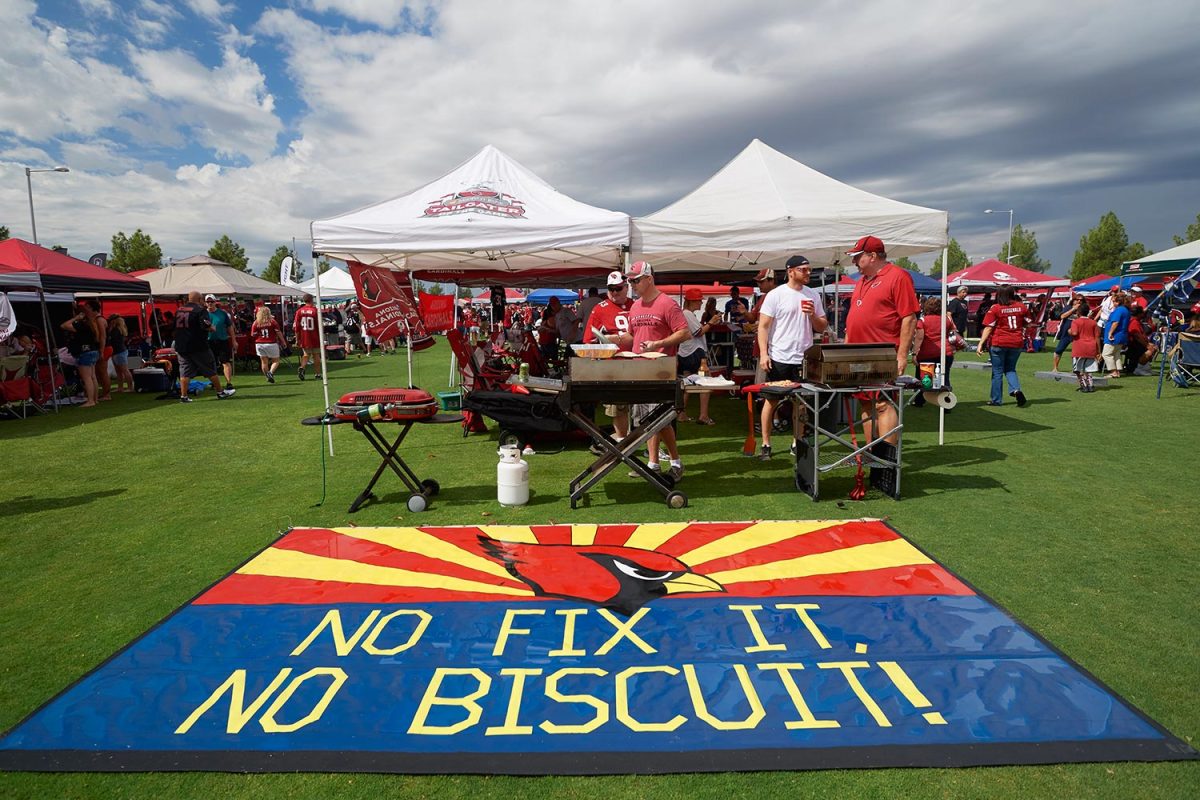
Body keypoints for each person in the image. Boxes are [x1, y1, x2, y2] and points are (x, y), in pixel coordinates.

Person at [844, 236, 919, 443]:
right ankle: (870, 453)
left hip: (881, 354)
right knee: (866, 404)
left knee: (882, 404)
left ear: (873, 256)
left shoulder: (898, 277)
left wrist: (902, 355)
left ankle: (886, 460)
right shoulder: (861, 281)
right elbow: (854, 319)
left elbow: (909, 318)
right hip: (857, 355)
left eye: (858, 257)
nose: (854, 262)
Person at [619, 261, 690, 481]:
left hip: (662, 370)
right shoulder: (635, 306)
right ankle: (653, 463)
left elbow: (684, 332)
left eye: (635, 280)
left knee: (659, 419)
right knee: (647, 420)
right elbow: (633, 336)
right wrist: (615, 339)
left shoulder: (667, 304)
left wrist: (659, 342)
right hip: (640, 368)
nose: (632, 284)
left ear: (649, 278)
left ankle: (675, 461)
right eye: (630, 280)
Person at [755, 255, 828, 459]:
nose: (808, 273)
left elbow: (822, 327)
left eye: (809, 269)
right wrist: (764, 353)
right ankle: (766, 444)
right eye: (803, 269)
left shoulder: (813, 294)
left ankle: (797, 442)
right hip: (779, 357)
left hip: (804, 358)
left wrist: (813, 314)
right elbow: (763, 326)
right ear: (790, 271)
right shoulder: (776, 295)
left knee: (801, 403)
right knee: (771, 401)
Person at [584, 270, 635, 440]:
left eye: (618, 288)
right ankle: (621, 441)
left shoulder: (636, 305)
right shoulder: (599, 309)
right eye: (610, 289)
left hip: (637, 361)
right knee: (617, 405)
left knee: (642, 404)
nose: (614, 292)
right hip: (613, 364)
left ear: (626, 287)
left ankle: (646, 442)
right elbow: (588, 340)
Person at [174, 291, 236, 403]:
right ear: (199, 299)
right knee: (210, 368)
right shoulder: (200, 310)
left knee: (184, 371)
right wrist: (212, 327)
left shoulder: (179, 310)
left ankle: (184, 396)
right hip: (197, 345)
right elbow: (205, 325)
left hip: (181, 346)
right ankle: (220, 392)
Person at [977, 285, 1031, 406]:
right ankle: (1016, 389)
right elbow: (1028, 323)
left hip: (999, 342)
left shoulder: (995, 308)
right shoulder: (1021, 307)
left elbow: (988, 327)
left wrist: (980, 343)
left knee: (997, 372)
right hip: (1016, 342)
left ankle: (996, 399)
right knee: (1011, 369)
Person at [677, 288, 716, 425]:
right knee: (706, 381)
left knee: (688, 383)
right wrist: (712, 322)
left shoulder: (685, 314)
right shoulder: (687, 314)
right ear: (693, 301)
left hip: (685, 352)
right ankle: (703, 415)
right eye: (699, 300)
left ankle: (681, 413)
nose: (701, 303)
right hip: (694, 352)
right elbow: (698, 332)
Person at [911, 297, 958, 408]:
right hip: (946, 352)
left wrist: (914, 353)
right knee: (944, 377)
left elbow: (919, 338)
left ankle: (919, 400)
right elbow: (953, 333)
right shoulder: (947, 319)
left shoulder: (923, 320)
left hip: (927, 354)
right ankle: (946, 403)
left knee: (923, 378)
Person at [60, 300, 104, 407]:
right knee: (93, 376)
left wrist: (76, 318)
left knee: (87, 378)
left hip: (84, 352)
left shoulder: (81, 325)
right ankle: (95, 399)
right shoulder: (92, 324)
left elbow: (64, 326)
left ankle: (90, 401)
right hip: (93, 351)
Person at [204, 294, 237, 390]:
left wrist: (234, 340)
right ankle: (214, 382)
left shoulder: (222, 313)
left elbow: (230, 327)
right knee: (211, 363)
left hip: (222, 340)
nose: (210, 303)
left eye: (212, 301)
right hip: (208, 341)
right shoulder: (203, 314)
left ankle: (228, 382)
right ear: (205, 303)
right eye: (208, 302)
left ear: (215, 302)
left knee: (225, 361)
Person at [251, 305, 286, 383]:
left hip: (259, 344)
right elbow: (278, 332)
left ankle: (267, 377)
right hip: (271, 343)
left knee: (264, 362)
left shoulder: (256, 322)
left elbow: (253, 334)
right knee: (276, 360)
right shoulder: (272, 321)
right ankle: (270, 373)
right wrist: (283, 341)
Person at [1069, 309, 1101, 393]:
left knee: (1077, 369)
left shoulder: (1076, 322)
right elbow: (1097, 337)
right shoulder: (1093, 322)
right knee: (1088, 368)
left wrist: (1069, 331)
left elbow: (1075, 333)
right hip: (1091, 346)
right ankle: (1090, 385)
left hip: (1079, 347)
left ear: (1078, 312)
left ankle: (1084, 385)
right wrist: (1099, 351)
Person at [1052, 294, 1085, 373]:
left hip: (1078, 333)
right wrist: (1073, 309)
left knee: (1078, 351)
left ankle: (1077, 369)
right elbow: (1062, 316)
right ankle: (1055, 367)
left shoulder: (1083, 309)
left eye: (1081, 300)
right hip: (1066, 332)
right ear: (1073, 300)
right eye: (1077, 299)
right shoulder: (1068, 307)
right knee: (1059, 349)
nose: (1079, 301)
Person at [293, 294, 322, 380]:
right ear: (312, 300)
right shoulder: (315, 311)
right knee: (316, 355)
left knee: (306, 354)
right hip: (315, 336)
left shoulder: (299, 311)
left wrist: (297, 339)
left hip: (304, 336)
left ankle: (302, 367)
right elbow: (319, 325)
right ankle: (317, 374)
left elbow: (297, 327)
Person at [1102, 292, 1131, 379]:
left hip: (1116, 335)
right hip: (1121, 335)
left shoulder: (1119, 310)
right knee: (1116, 354)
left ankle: (1113, 371)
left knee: (1106, 354)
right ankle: (1118, 371)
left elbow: (1115, 322)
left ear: (1118, 302)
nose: (1113, 303)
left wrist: (1110, 333)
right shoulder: (1125, 310)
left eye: (1114, 301)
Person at [107, 314, 134, 393]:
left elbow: (112, 340)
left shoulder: (116, 330)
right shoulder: (119, 329)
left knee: (124, 370)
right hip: (118, 351)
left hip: (119, 352)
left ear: (113, 321)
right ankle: (121, 387)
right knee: (119, 371)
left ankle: (130, 387)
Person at [1124, 305, 1151, 376]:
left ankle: (1145, 368)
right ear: (1139, 314)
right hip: (1134, 345)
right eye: (1142, 313)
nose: (1143, 314)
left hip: (1138, 344)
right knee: (1150, 350)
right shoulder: (1134, 322)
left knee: (1153, 347)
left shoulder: (1136, 321)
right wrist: (1147, 345)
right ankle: (1139, 369)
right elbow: (1137, 336)